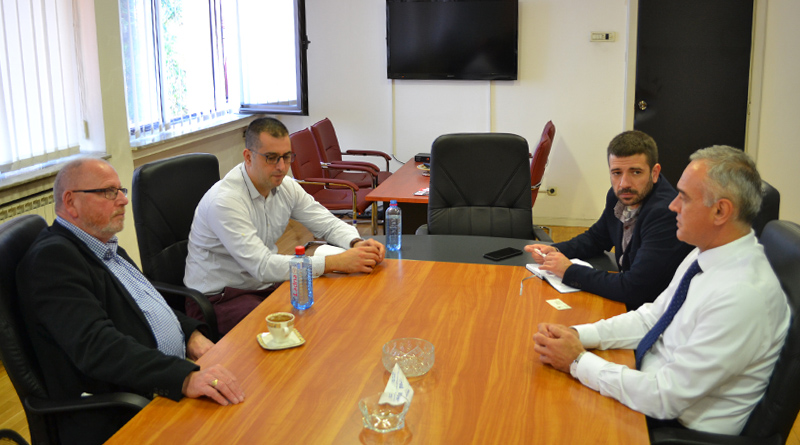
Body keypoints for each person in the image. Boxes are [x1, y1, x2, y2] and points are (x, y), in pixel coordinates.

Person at [533, 146, 790, 435]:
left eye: (684, 198)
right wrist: (578, 335)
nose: (673, 206)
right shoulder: (706, 253)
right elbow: (652, 318)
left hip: (675, 429)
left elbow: (665, 397)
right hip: (648, 387)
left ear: (720, 211)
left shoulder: (742, 297)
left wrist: (578, 361)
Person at [16, 158, 245, 445]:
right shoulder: (52, 261)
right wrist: (184, 378)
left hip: (155, 382)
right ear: (71, 202)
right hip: (122, 408)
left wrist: (191, 336)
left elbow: (146, 303)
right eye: (108, 192)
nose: (124, 200)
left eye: (120, 190)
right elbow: (98, 348)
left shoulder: (103, 244)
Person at [185, 117, 385, 334]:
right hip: (219, 298)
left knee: (326, 310)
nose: (281, 167)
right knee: (287, 333)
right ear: (248, 156)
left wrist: (356, 243)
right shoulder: (226, 201)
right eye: (271, 158)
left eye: (287, 157)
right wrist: (335, 262)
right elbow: (262, 266)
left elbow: (327, 223)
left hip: (263, 285)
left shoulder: (286, 186)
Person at [525, 130, 692, 309]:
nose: (624, 183)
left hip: (655, 311)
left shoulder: (665, 213)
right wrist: (555, 250)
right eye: (617, 173)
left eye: (636, 172)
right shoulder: (618, 196)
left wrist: (568, 271)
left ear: (655, 172)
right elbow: (597, 238)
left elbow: (635, 288)